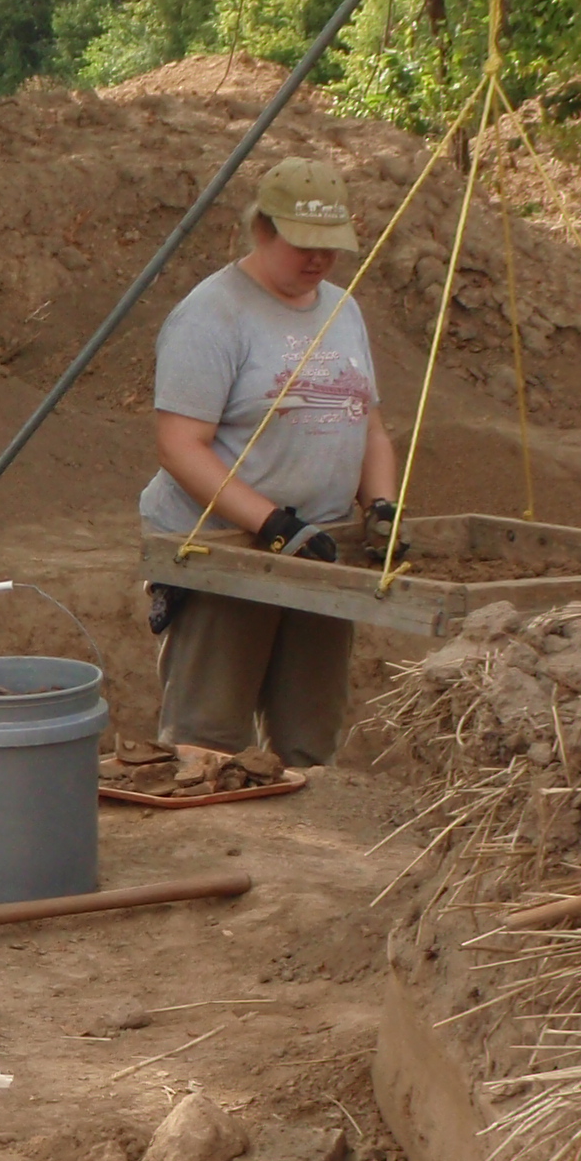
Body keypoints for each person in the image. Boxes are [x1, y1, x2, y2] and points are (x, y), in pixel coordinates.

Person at [140, 156, 401, 768]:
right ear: (261, 229)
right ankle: (220, 844)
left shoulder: (343, 309)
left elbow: (369, 424)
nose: (317, 261)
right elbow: (179, 446)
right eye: (302, 245)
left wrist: (382, 505)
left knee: (310, 737)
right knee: (210, 738)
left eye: (330, 248)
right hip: (228, 547)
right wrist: (271, 524)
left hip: (320, 550)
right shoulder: (212, 314)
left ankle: (304, 855)